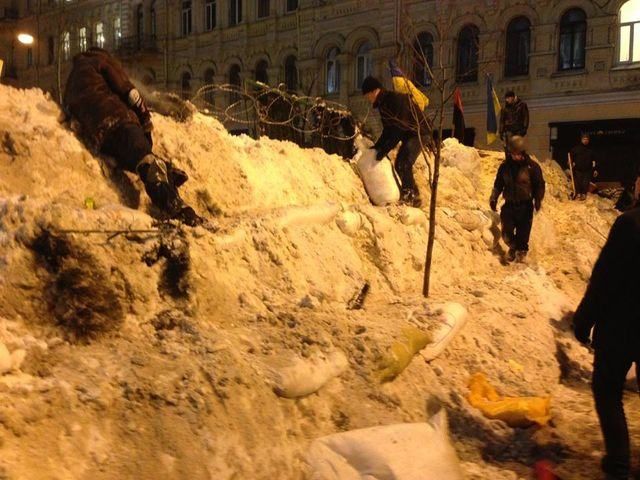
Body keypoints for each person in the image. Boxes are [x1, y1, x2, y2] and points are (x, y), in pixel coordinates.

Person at [63, 47, 202, 226]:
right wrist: (145, 120)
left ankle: (168, 171)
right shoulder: (100, 60)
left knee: (139, 161)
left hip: (102, 139)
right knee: (148, 164)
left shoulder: (70, 84)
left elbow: (71, 117)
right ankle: (180, 211)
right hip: (120, 121)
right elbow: (130, 92)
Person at [573, 192, 640, 480]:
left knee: (607, 390)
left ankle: (619, 465)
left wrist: (584, 319)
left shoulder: (630, 224)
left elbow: (605, 275)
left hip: (622, 325)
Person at [361, 75, 429, 207]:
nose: (368, 99)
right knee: (400, 163)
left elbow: (398, 129)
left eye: (368, 95)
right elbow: (387, 130)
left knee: (404, 162)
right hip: (408, 133)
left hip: (420, 132)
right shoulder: (383, 104)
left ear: (375, 91)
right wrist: (377, 147)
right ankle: (413, 194)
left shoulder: (395, 100)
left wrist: (383, 150)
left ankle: (410, 196)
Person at [489, 136, 545, 263]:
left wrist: (538, 199)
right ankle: (513, 248)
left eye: (518, 154)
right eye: (513, 154)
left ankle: (521, 252)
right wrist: (493, 197)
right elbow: (498, 183)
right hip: (509, 205)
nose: (515, 157)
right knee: (506, 234)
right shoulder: (505, 167)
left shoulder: (532, 167)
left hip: (525, 206)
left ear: (522, 152)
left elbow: (539, 185)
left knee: (523, 234)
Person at [570, 133, 597, 201]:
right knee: (578, 182)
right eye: (584, 139)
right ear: (581, 140)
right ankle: (578, 193)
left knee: (585, 183)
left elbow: (594, 160)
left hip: (587, 170)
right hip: (578, 169)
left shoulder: (591, 150)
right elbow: (571, 158)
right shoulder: (576, 149)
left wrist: (595, 169)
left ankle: (584, 194)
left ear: (588, 140)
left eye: (587, 139)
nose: (585, 140)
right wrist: (571, 163)